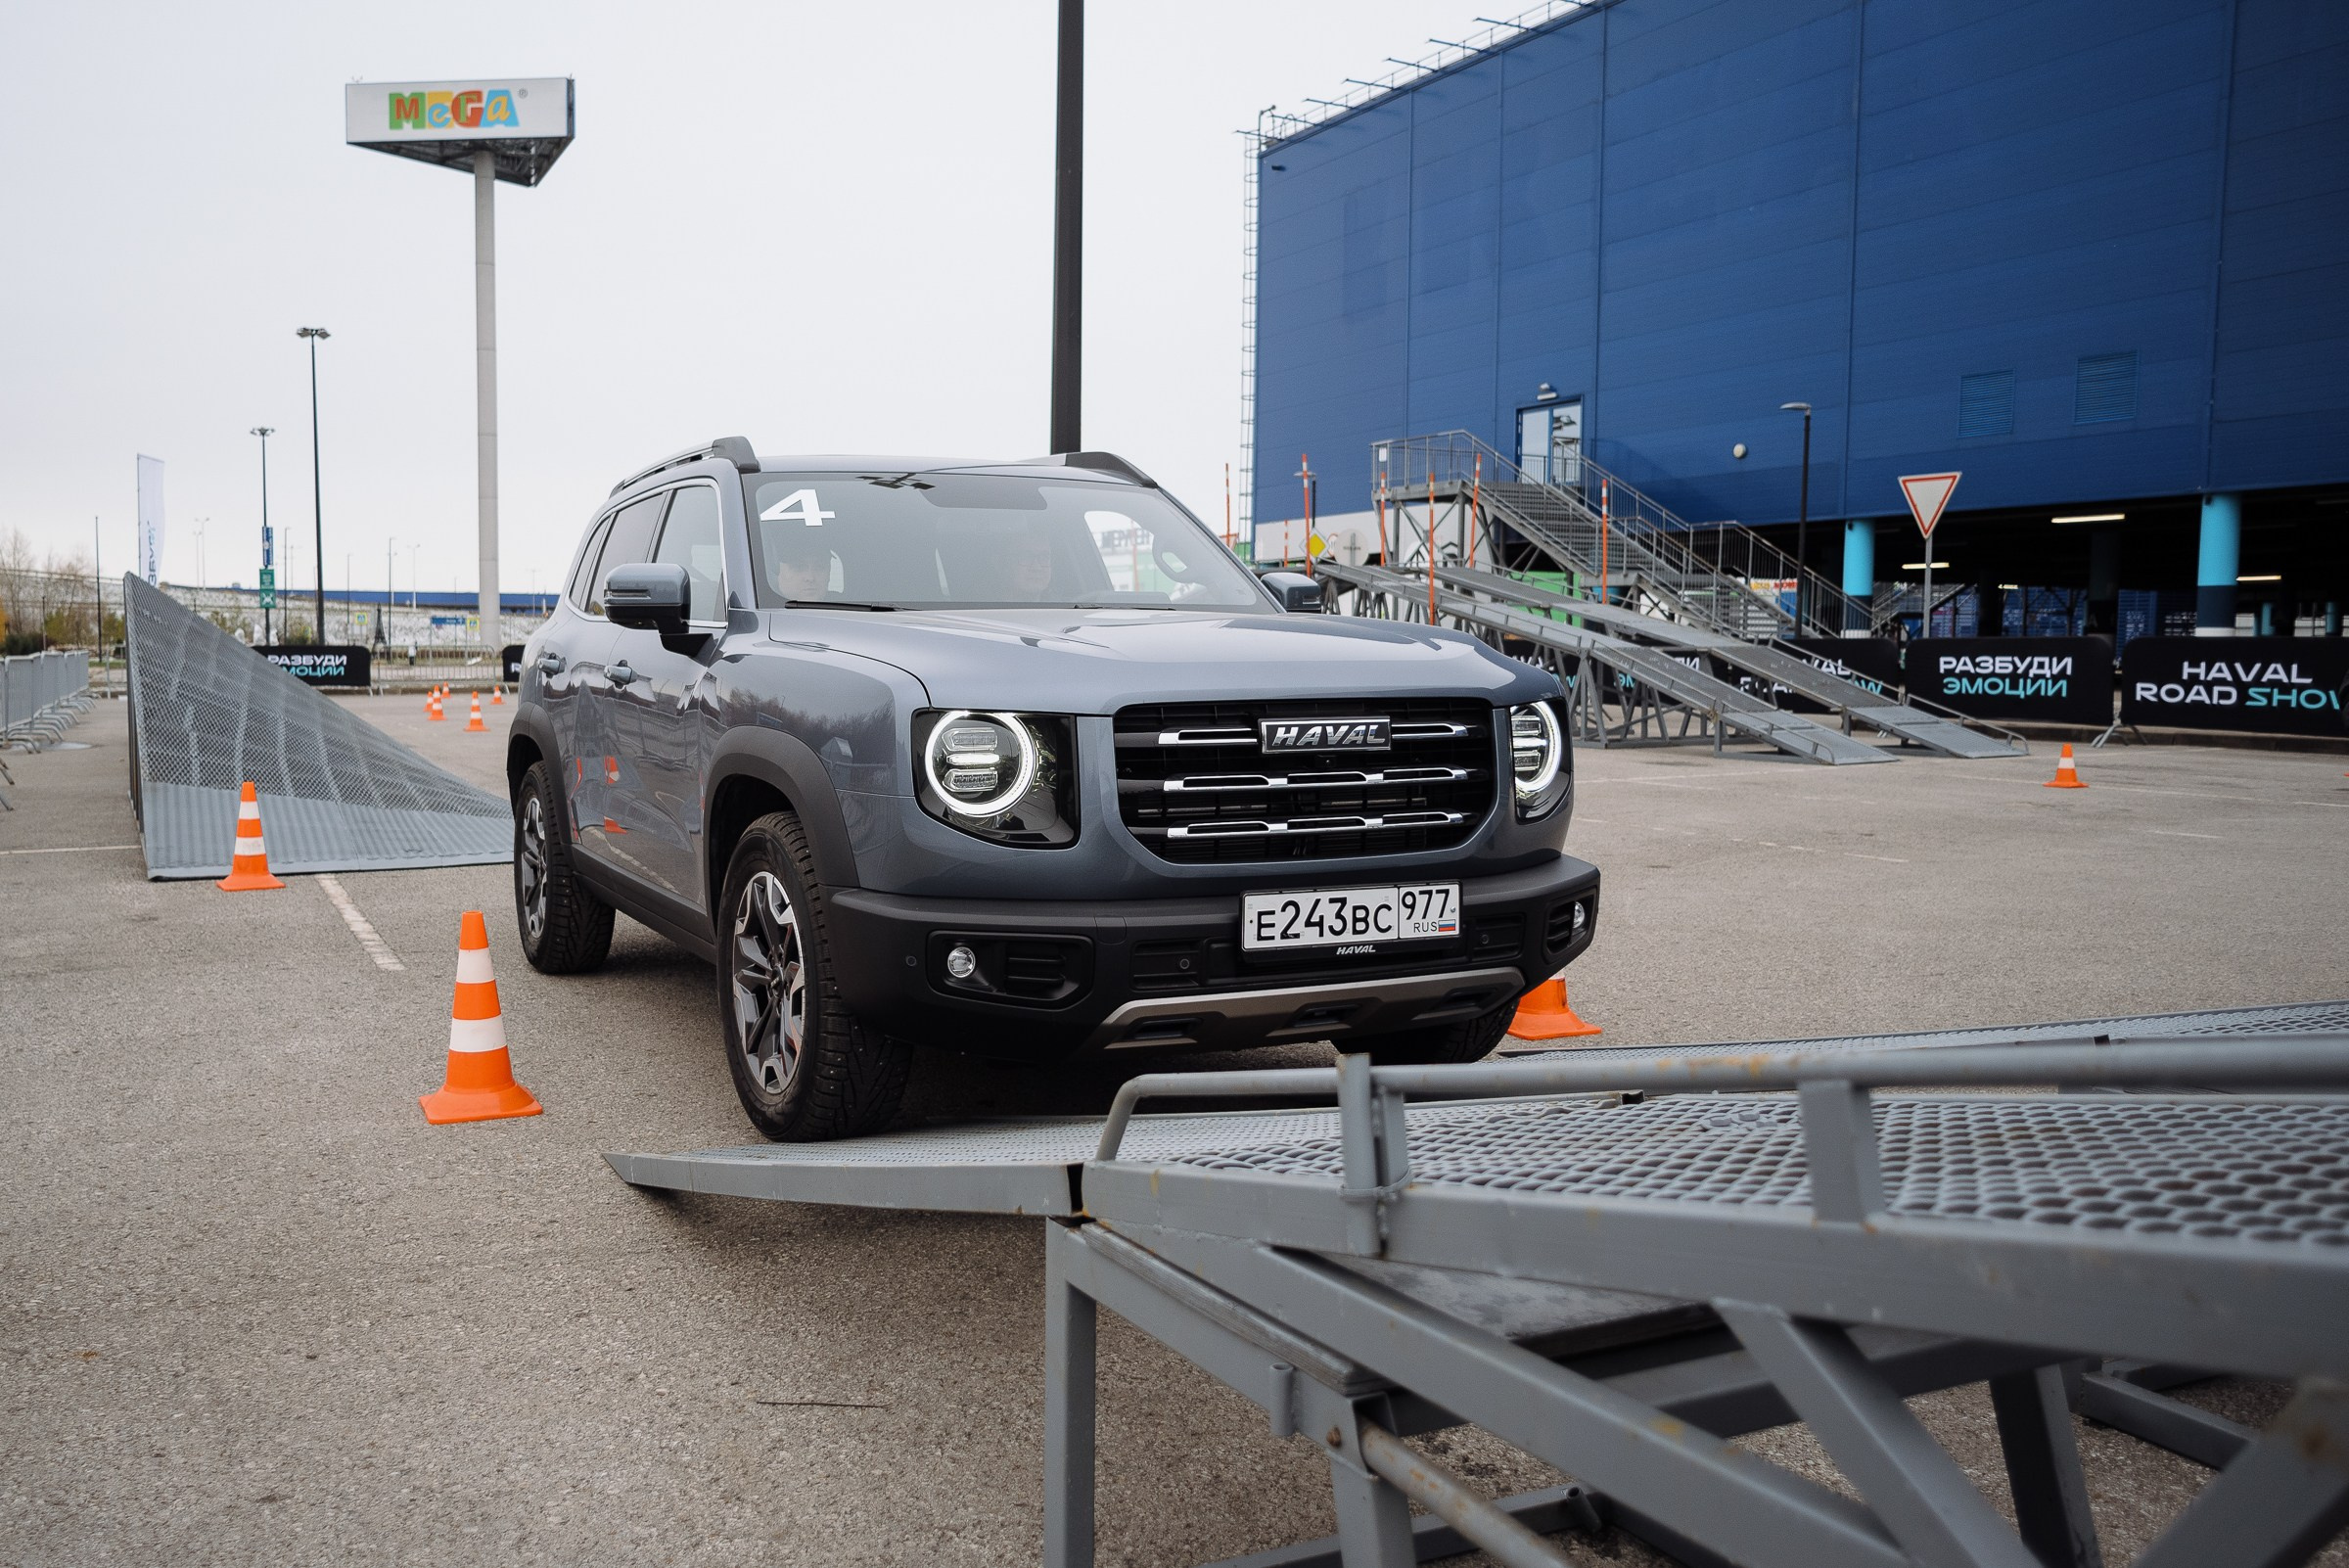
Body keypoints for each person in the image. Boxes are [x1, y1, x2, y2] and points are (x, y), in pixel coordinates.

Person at [769, 531, 837, 602]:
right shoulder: (764, 607)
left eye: (819, 567)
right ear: (778, 574)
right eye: (799, 568)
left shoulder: (845, 608)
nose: (810, 578)